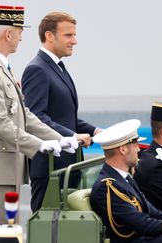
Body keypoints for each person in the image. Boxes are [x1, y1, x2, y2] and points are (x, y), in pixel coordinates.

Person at [0, 5, 78, 243]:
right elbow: (0, 123)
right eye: (18, 31)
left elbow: (24, 114)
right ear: (8, 34)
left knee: (8, 235)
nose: (21, 37)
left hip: (6, 169)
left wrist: (57, 137)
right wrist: (39, 145)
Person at [21, 12, 100, 212]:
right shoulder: (37, 69)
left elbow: (65, 116)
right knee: (46, 230)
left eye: (74, 35)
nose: (75, 41)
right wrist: (73, 136)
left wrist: (95, 131)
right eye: (68, 35)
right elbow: (36, 117)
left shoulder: (57, 67)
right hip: (50, 168)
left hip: (67, 166)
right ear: (49, 36)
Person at [90, 119, 162, 243]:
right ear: (123, 149)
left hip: (145, 238)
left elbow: (155, 214)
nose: (138, 149)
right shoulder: (107, 186)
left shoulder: (124, 178)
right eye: (135, 144)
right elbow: (144, 225)